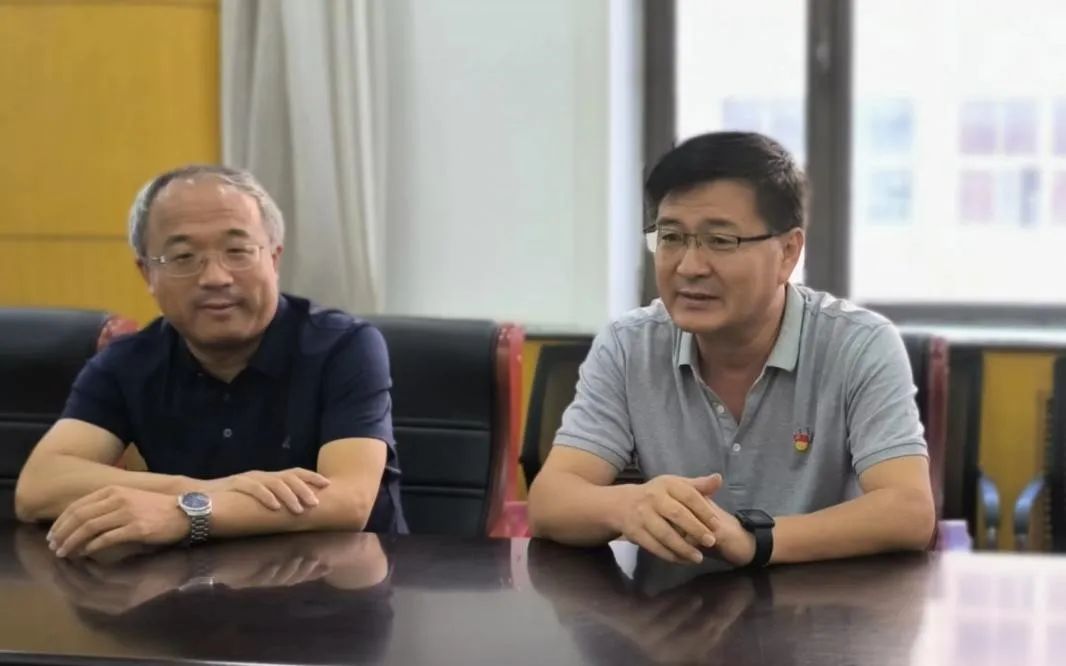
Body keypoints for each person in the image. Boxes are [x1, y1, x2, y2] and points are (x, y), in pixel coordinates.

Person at [528, 131, 935, 568]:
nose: (689, 267)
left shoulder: (860, 344)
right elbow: (550, 501)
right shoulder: (630, 346)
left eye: (720, 241)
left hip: (822, 599)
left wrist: (756, 541)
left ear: (788, 252)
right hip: (676, 603)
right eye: (671, 237)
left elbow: (909, 510)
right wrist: (626, 505)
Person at [15, 165, 405, 558]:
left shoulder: (343, 346)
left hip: (339, 583)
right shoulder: (128, 362)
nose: (215, 277)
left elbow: (348, 500)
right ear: (147, 273)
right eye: (183, 256)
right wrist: (200, 491)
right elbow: (38, 487)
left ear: (274, 258)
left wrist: (187, 513)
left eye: (237, 251)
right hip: (192, 584)